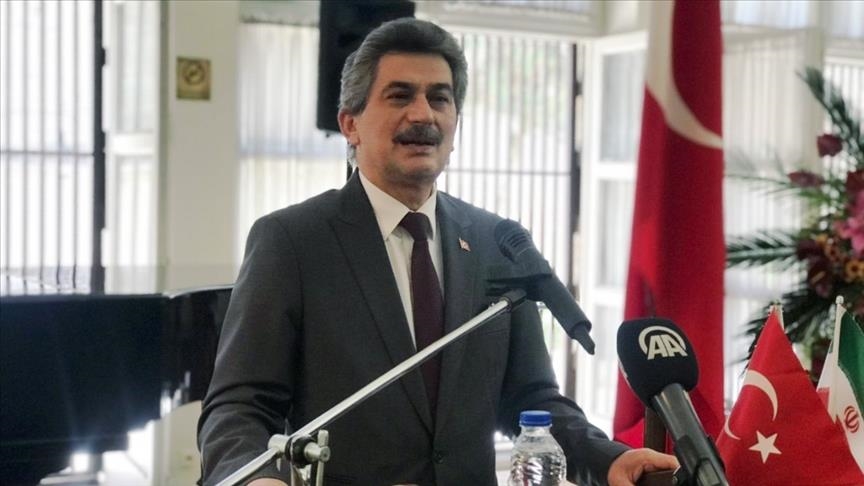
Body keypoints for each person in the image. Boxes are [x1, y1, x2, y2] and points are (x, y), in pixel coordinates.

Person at [198, 17, 678, 486]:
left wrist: (607, 459)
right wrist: (259, 479)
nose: (423, 114)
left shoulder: (496, 242)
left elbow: (531, 398)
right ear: (350, 124)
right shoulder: (292, 241)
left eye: (439, 98)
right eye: (400, 95)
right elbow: (239, 407)